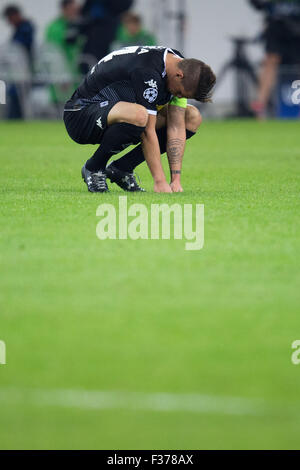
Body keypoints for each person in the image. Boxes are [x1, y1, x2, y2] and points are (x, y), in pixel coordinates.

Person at [63, 46, 216, 193]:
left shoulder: (179, 64)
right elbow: (148, 132)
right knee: (140, 115)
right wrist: (160, 182)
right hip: (80, 114)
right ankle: (94, 167)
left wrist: (175, 180)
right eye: (180, 93)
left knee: (191, 117)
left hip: (115, 113)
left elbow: (176, 126)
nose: (179, 96)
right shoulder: (148, 70)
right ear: (179, 75)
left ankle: (122, 168)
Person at [249, 0, 300, 118]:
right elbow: (257, 5)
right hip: (276, 24)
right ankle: (260, 107)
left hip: (297, 23)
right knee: (270, 61)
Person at [45, 0, 83, 103]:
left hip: (73, 73)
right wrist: (62, 76)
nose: (75, 12)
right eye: (73, 10)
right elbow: (54, 55)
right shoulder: (55, 27)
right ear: (64, 9)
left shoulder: (76, 25)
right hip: (61, 75)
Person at [2, 4, 35, 118]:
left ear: (15, 15)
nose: (9, 22)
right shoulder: (21, 29)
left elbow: (20, 49)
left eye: (10, 18)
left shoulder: (26, 28)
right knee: (14, 93)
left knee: (18, 95)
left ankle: (16, 117)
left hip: (24, 69)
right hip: (17, 71)